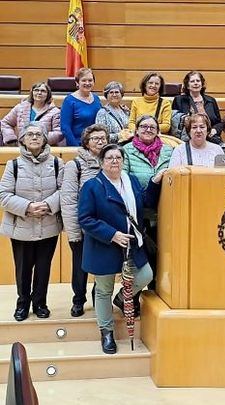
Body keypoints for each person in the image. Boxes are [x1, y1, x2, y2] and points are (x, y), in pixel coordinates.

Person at [78, 144, 162, 354]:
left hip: (132, 244)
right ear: (102, 162)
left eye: (118, 157)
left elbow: (146, 202)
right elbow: (85, 219)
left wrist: (154, 181)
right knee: (103, 289)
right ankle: (106, 332)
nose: (114, 161)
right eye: (109, 158)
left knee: (145, 275)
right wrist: (112, 234)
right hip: (104, 245)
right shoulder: (92, 186)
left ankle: (121, 298)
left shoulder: (130, 180)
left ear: (123, 161)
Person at [0, 123, 63, 321]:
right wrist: (28, 207)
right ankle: (23, 304)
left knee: (44, 268)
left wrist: (47, 204)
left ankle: (40, 303)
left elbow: (65, 192)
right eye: (30, 134)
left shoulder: (56, 163)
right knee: (23, 269)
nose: (34, 137)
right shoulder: (14, 165)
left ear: (45, 139)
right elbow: (3, 195)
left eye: (38, 134)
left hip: (49, 225)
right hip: (22, 227)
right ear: (23, 140)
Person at [60, 124, 108, 317]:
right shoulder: (75, 165)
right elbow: (68, 199)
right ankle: (78, 300)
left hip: (104, 227)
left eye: (103, 138)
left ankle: (100, 298)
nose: (100, 141)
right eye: (95, 138)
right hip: (82, 228)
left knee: (103, 266)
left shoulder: (112, 161)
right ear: (86, 142)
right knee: (80, 267)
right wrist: (73, 232)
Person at [122, 115, 173, 291]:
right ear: (136, 130)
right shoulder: (127, 150)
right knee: (140, 259)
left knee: (160, 257)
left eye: (152, 127)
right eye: (143, 126)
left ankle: (155, 294)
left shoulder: (169, 150)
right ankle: (131, 299)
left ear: (158, 131)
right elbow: (124, 180)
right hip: (138, 212)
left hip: (165, 211)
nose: (148, 129)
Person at [2, 81, 63, 146]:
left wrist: (39, 140)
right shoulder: (20, 108)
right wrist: (11, 139)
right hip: (22, 148)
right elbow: (5, 122)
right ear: (32, 92)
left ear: (48, 94)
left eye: (43, 91)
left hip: (45, 149)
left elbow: (59, 132)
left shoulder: (55, 112)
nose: (39, 93)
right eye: (36, 90)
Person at [172, 71, 223, 144]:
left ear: (202, 84)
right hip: (187, 140)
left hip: (209, 139)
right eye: (192, 81)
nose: (196, 83)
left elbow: (219, 123)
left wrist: (215, 129)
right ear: (187, 85)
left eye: (198, 81)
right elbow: (175, 121)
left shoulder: (211, 100)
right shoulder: (179, 100)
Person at [60, 67, 103, 146]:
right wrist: (76, 148)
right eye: (83, 80)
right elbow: (65, 128)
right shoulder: (69, 101)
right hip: (78, 144)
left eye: (90, 80)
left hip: (96, 144)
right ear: (77, 83)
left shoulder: (96, 98)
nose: (87, 83)